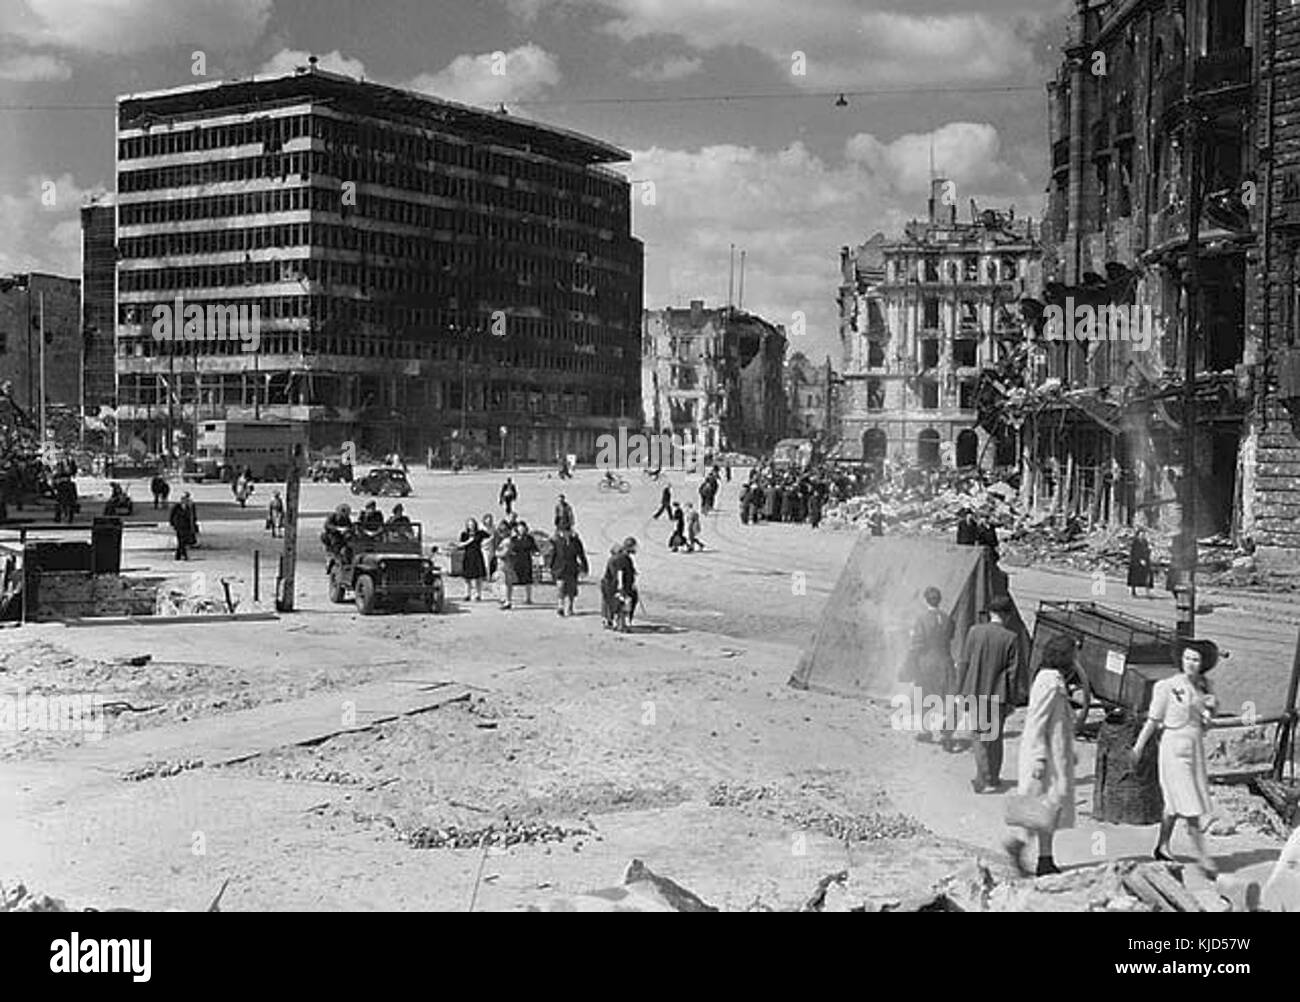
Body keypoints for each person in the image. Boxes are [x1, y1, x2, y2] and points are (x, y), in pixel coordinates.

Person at [1132, 638, 1222, 876]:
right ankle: (1204, 857)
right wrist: (1139, 746)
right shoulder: (1167, 686)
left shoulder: (1205, 687)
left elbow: (1205, 725)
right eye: (1188, 658)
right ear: (1180, 659)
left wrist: (1209, 713)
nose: (1191, 663)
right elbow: (1153, 719)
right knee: (1190, 802)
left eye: (1196, 659)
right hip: (1172, 748)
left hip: (1194, 748)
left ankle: (1162, 845)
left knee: (1173, 804)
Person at [1003, 633, 1078, 878]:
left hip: (1054, 755)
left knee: (1048, 808)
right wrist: (1039, 758)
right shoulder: (1049, 682)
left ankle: (1044, 857)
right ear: (1063, 657)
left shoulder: (1052, 679)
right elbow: (1036, 721)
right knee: (1044, 807)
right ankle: (1021, 845)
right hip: (1045, 757)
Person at [955, 595, 1019, 794]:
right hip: (998, 696)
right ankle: (993, 776)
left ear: (990, 613)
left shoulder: (974, 632)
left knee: (979, 735)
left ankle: (982, 777)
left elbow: (964, 663)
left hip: (974, 691)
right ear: (1007, 615)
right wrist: (1012, 701)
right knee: (995, 736)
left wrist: (959, 691)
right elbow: (1013, 673)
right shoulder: (1011, 638)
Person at [902, 587, 956, 750]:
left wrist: (910, 662)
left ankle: (926, 731)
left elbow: (917, 644)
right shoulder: (947, 619)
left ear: (926, 600)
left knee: (924, 696)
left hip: (927, 664)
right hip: (945, 661)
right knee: (946, 698)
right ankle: (946, 733)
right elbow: (950, 638)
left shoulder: (922, 619)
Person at [549, 526, 589, 616]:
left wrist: (585, 567)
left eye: (567, 531)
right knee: (561, 587)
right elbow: (553, 554)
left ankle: (570, 607)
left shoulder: (576, 542)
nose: (565, 533)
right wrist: (551, 567)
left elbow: (581, 555)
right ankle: (560, 607)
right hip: (559, 567)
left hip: (572, 567)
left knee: (571, 589)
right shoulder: (557, 541)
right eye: (563, 531)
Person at [601, 537, 639, 630]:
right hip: (614, 585)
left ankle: (610, 620)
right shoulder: (621, 558)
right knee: (623, 601)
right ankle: (621, 622)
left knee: (610, 602)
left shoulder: (623, 557)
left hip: (610, 584)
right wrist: (621, 588)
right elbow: (619, 573)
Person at [501, 520, 537, 609]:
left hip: (526, 560)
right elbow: (508, 549)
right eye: (519, 528)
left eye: (523, 528)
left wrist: (536, 554)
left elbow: (535, 549)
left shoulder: (529, 538)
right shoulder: (513, 539)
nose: (521, 530)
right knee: (511, 580)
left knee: (527, 579)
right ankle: (508, 599)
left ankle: (528, 598)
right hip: (515, 561)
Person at [458, 518, 490, 601]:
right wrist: (469, 541)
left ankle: (478, 594)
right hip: (468, 555)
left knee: (478, 577)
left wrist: (486, 544)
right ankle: (467, 594)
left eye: (472, 524)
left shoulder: (479, 533)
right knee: (467, 577)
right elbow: (460, 545)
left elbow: (491, 535)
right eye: (469, 524)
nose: (471, 526)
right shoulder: (464, 534)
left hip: (477, 555)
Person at [169, 492, 199, 560]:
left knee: (183, 542)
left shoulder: (190, 507)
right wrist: (173, 524)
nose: (185, 500)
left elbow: (192, 517)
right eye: (183, 499)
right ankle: (182, 555)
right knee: (181, 541)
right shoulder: (177, 507)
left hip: (186, 527)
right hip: (179, 526)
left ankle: (179, 555)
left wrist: (194, 525)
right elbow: (172, 516)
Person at [1128, 527, 1154, 598]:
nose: (1142, 535)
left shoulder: (1145, 541)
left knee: (1148, 575)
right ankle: (1133, 590)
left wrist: (1149, 549)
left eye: (1143, 534)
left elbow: (1146, 551)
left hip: (1145, 560)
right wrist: (1139, 559)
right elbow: (1134, 552)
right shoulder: (1135, 542)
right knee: (1135, 577)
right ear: (1138, 535)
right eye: (1141, 534)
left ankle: (1147, 591)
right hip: (1136, 561)